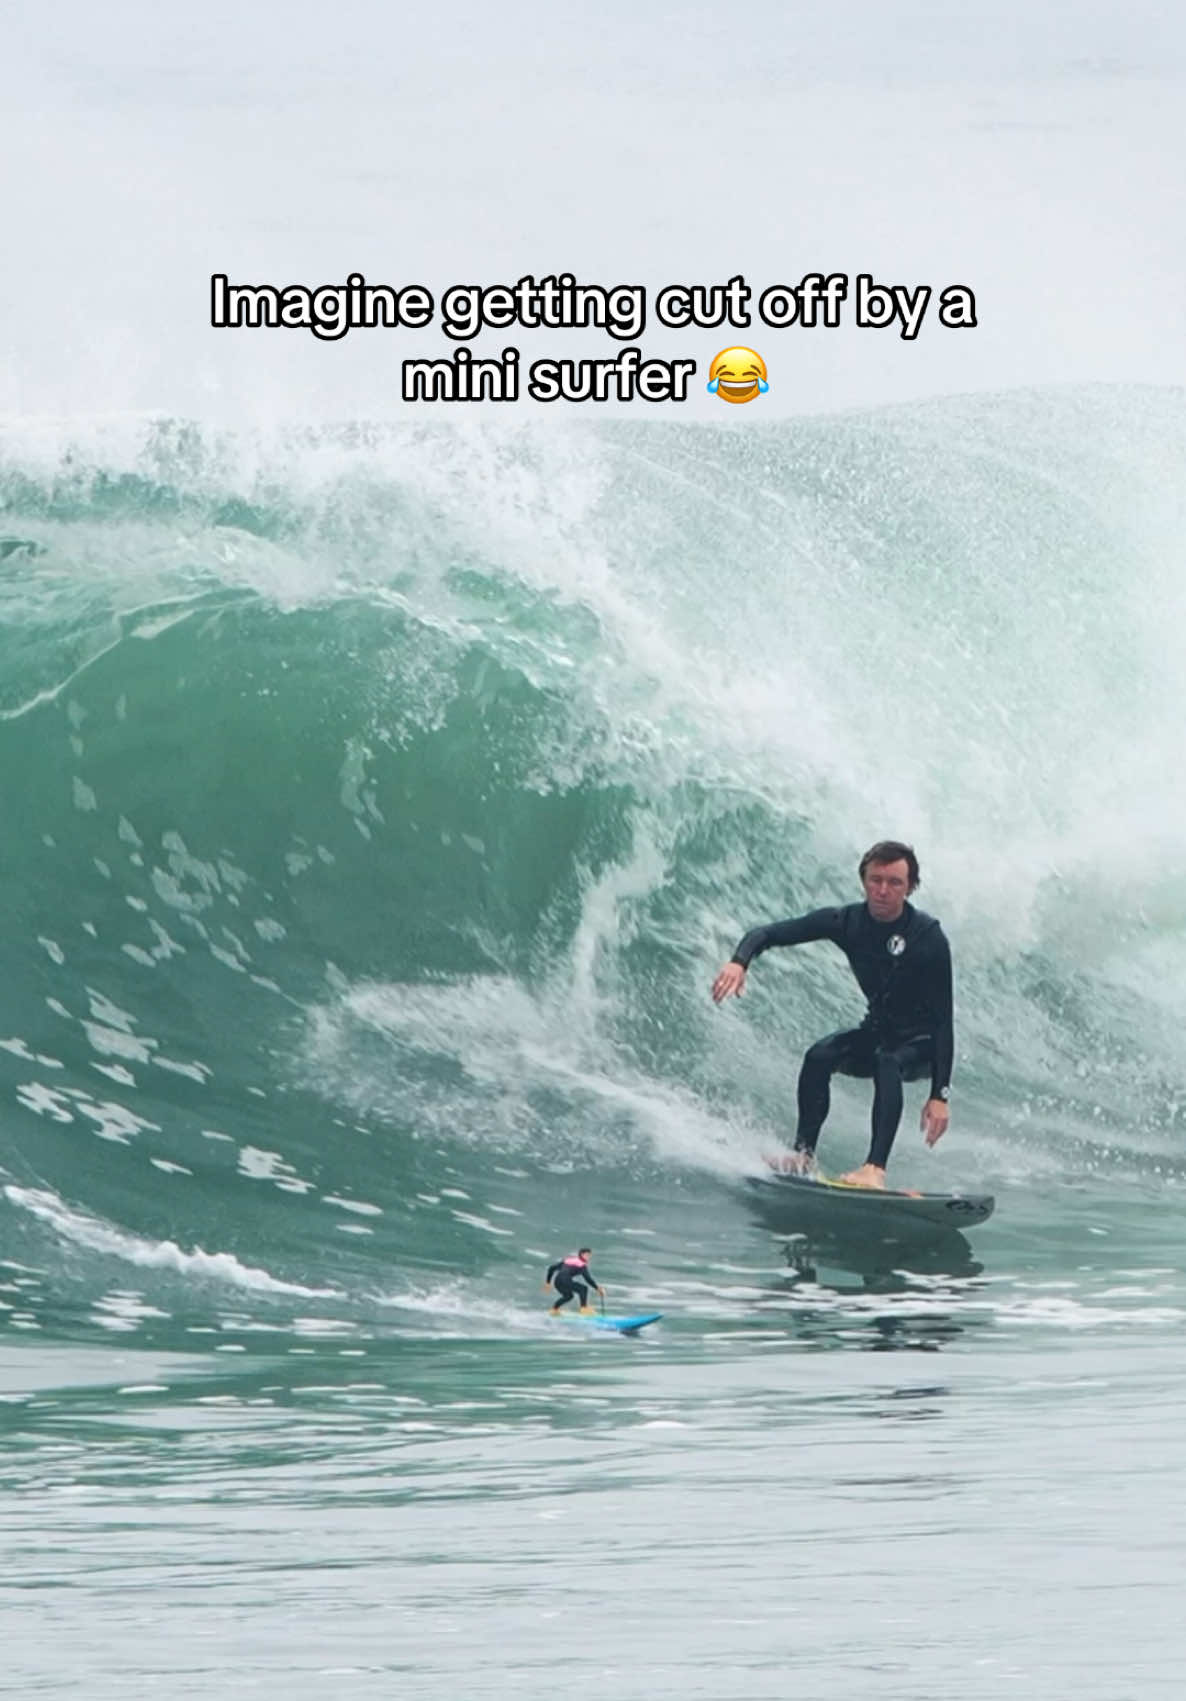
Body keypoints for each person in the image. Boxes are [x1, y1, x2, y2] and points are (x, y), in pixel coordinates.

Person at [711, 840, 953, 1189]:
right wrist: (739, 961)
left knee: (888, 1060)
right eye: (875, 880)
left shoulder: (928, 936)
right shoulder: (846, 922)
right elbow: (767, 933)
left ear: (910, 887)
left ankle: (874, 1170)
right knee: (820, 1055)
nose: (882, 890)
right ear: (863, 880)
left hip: (923, 1045)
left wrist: (939, 1096)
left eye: (894, 882)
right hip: (880, 1030)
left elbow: (944, 1020)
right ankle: (803, 1154)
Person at [544, 1247, 605, 1313]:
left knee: (569, 1296)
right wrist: (597, 1288)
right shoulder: (582, 1265)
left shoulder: (568, 1260)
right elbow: (587, 1278)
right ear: (581, 1255)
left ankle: (554, 1310)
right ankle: (584, 1309)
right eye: (587, 1255)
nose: (588, 1257)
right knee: (583, 1289)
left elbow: (551, 1268)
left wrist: (548, 1282)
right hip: (565, 1281)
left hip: (557, 1282)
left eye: (589, 1255)